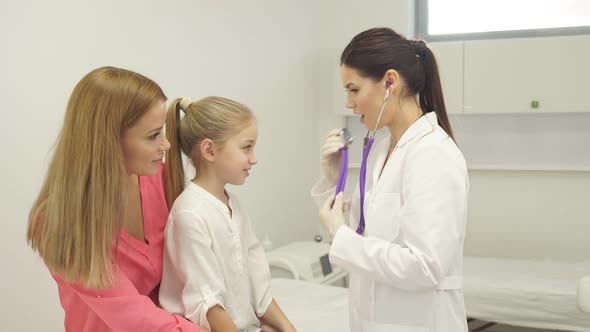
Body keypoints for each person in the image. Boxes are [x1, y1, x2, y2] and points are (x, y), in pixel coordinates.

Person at [27, 66, 208, 331]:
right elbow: (134, 318)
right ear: (108, 142)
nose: (166, 145)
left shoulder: (160, 179)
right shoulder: (57, 220)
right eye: (153, 136)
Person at [314, 27, 469, 331]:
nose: (348, 103)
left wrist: (340, 238)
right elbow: (369, 233)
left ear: (390, 82)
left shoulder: (432, 153)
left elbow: (426, 266)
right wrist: (335, 181)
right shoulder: (384, 150)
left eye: (353, 89)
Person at [159, 96, 295, 332]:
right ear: (210, 150)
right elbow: (208, 303)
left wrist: (288, 328)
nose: (254, 159)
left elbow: (258, 283)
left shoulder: (234, 205)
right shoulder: (190, 214)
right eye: (246, 147)